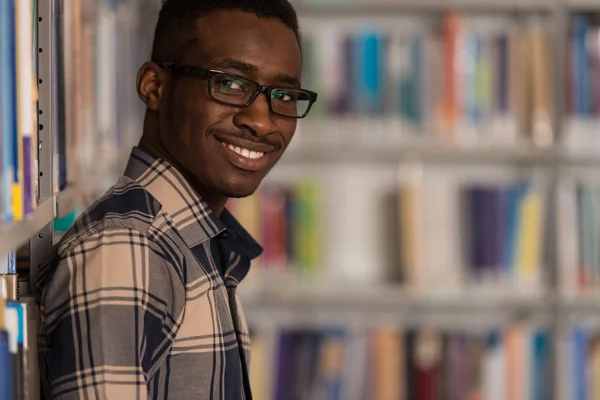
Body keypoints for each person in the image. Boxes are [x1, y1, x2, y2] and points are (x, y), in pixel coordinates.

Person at [35, 0, 317, 398]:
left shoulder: (190, 242)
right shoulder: (127, 247)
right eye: (230, 83)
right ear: (155, 87)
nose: (261, 120)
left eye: (285, 95)